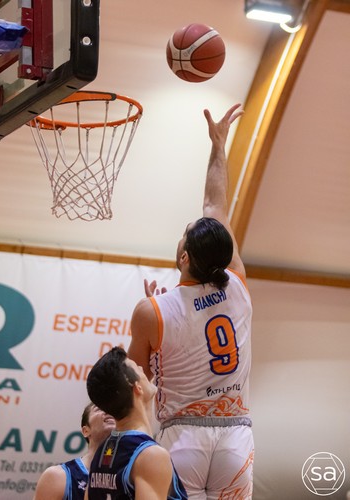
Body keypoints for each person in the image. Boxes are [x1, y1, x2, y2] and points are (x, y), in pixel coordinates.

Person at [127, 103, 254, 499]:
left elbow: (135, 384)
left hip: (183, 436)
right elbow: (215, 206)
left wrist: (156, 322)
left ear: (184, 257)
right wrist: (219, 146)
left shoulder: (153, 311)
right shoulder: (237, 282)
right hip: (236, 435)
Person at [85, 346, 188, 499]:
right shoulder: (151, 455)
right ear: (137, 388)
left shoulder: (101, 452)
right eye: (136, 367)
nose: (141, 367)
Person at [34, 402, 116, 500]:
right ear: (86, 431)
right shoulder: (57, 477)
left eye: (114, 410)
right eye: (99, 408)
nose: (109, 411)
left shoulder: (128, 475)